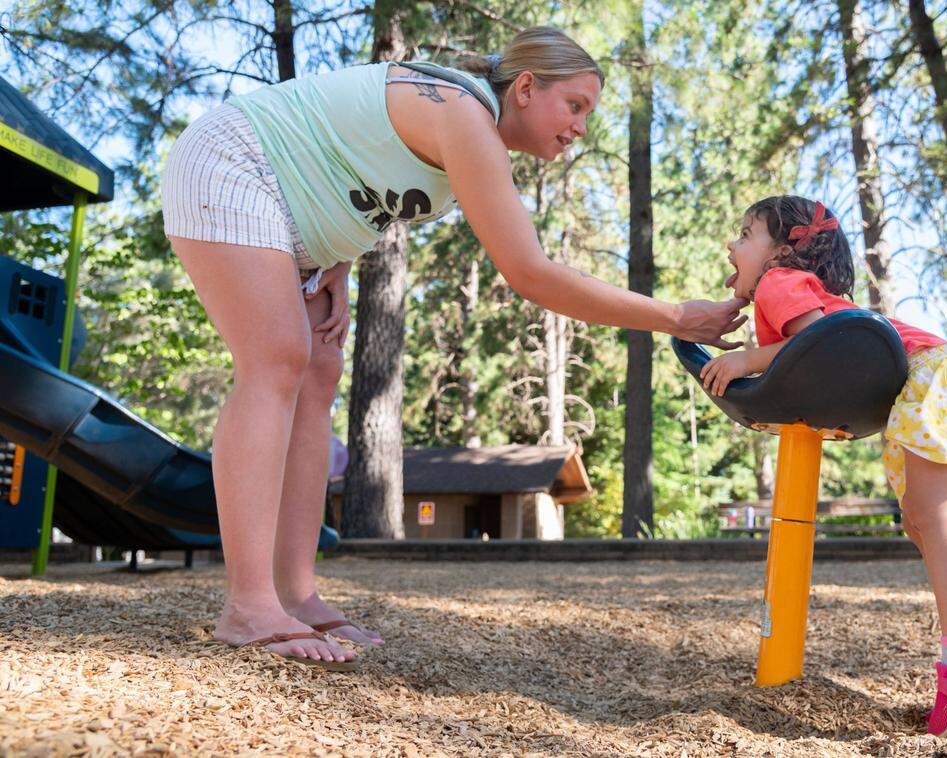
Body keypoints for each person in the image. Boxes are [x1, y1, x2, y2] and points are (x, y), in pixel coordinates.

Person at [161, 26, 746, 670]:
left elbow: (348, 155)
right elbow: (530, 273)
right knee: (276, 359)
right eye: (575, 106)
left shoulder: (470, 123)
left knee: (319, 369)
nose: (581, 127)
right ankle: (249, 605)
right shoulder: (465, 115)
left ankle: (296, 593)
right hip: (233, 162)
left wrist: (336, 264)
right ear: (525, 88)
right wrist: (674, 317)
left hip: (296, 218)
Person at [700, 195, 947, 737]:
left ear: (782, 252)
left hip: (931, 374)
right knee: (918, 518)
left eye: (745, 234)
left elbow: (812, 347)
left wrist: (743, 360)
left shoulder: (779, 283)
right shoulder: (793, 292)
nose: (732, 246)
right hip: (932, 376)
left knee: (932, 515)